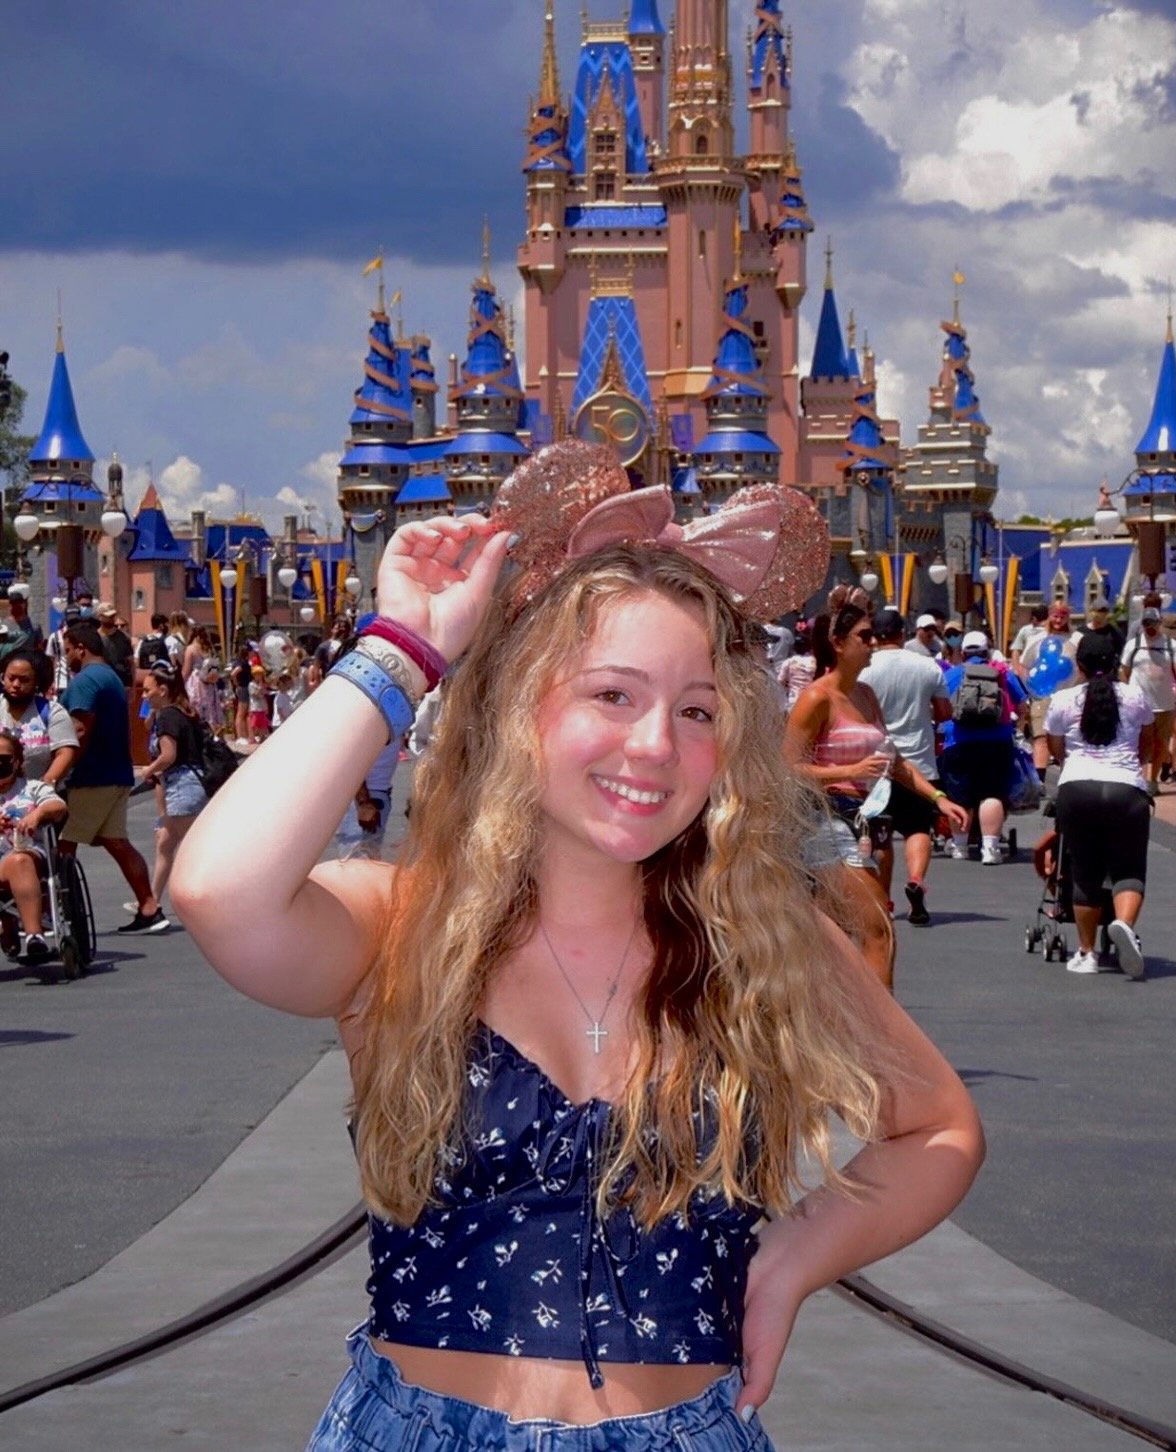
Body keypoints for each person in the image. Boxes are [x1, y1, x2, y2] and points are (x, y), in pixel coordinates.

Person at [172, 447, 983, 1448]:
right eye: (612, 694)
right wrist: (402, 648)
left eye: (696, 710)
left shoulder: (763, 939)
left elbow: (939, 1128)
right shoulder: (401, 925)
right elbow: (219, 891)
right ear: (521, 706)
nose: (655, 745)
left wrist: (792, 1261)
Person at [785, 591, 967, 989]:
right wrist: (848, 769)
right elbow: (786, 767)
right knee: (877, 929)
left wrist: (938, 798)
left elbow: (894, 761)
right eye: (863, 637)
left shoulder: (865, 695)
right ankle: (881, 1035)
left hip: (868, 820)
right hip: (827, 819)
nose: (872, 645)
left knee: (833, 933)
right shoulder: (816, 698)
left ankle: (828, 1026)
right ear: (838, 643)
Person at [1047, 632, 1154, 978]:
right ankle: (1122, 924)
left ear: (1078, 664)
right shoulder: (1134, 696)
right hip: (1126, 789)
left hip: (1078, 788)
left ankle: (1087, 952)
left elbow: (1056, 747)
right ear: (1115, 663)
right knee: (1128, 869)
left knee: (1085, 871)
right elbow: (1147, 741)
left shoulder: (1063, 700)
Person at [59, 619, 166, 933]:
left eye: (68, 651)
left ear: (82, 648)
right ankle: (150, 907)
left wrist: (60, 771)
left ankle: (63, 913)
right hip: (116, 772)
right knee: (117, 842)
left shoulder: (85, 682)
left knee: (63, 847)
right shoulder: (111, 678)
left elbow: (79, 729)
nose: (66, 658)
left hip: (92, 777)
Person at [860, 607, 953, 925]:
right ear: (902, 633)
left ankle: (883, 901)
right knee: (917, 828)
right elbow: (943, 713)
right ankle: (915, 879)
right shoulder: (928, 666)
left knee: (881, 834)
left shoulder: (864, 668)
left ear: (873, 635)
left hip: (876, 763)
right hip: (920, 761)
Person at [940, 630, 1028, 865]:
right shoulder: (1002, 674)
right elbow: (1022, 706)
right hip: (997, 742)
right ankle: (990, 849)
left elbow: (941, 707)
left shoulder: (951, 675)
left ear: (962, 652)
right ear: (987, 651)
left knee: (960, 796)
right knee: (992, 793)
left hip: (958, 742)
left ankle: (959, 846)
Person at [140, 662, 208, 914]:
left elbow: (168, 755)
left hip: (183, 785)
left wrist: (149, 769)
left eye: (148, 690)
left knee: (194, 848)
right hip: (188, 783)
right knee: (166, 845)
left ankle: (201, 899)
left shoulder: (169, 715)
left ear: (163, 689)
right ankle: (151, 902)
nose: (144, 695)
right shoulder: (180, 712)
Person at [0, 728, 69, 965]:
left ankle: (33, 935)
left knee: (19, 861)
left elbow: (58, 807)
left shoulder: (32, 788)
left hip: (26, 855)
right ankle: (7, 924)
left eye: (3, 760)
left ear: (16, 761)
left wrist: (37, 814)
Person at [1120, 599, 1176, 796]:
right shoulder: (1133, 645)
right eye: (1145, 624)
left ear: (1159, 623)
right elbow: (1124, 671)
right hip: (1138, 704)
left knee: (1160, 743)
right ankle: (1138, 778)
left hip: (1164, 703)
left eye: (1152, 624)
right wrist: (1126, 693)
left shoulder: (1171, 645)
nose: (1149, 628)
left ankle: (1153, 780)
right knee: (1138, 743)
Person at [0, 652, 79, 787]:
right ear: (2, 678)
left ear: (36, 682)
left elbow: (65, 752)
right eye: (11, 678)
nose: (16, 684)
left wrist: (45, 785)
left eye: (24, 680)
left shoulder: (52, 712)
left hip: (38, 800)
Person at [1021, 601, 1077, 780]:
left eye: (1063, 616)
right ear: (1049, 616)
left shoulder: (1077, 639)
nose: (1059, 620)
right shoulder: (1036, 639)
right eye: (1055, 615)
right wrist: (1030, 687)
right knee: (1041, 737)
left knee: (1067, 740)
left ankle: (1066, 777)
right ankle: (1040, 780)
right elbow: (1024, 665)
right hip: (1042, 696)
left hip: (1069, 696)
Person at [777, 621, 815, 716]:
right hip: (813, 699)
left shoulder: (789, 662)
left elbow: (780, 680)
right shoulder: (814, 661)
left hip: (794, 701)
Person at [96, 603, 136, 689]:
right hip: (102, 683)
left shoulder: (123, 637)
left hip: (122, 683)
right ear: (100, 617)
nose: (111, 618)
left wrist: (133, 686)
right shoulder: (95, 638)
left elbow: (131, 663)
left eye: (113, 615)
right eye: (108, 616)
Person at [309, 617, 350, 691]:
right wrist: (318, 684)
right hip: (328, 681)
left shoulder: (348, 647)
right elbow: (316, 667)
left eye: (344, 628)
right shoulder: (323, 647)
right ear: (332, 629)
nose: (341, 631)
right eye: (338, 628)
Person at [1010, 603, 1048, 676]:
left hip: (1026, 668)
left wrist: (1016, 669)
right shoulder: (1052, 631)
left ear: (1034, 618)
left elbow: (1016, 650)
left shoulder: (1025, 630)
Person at [230, 646, 253, 743]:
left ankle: (244, 735)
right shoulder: (243, 663)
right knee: (241, 713)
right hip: (243, 687)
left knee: (244, 713)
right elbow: (233, 673)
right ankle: (240, 736)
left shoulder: (240, 662)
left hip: (244, 687)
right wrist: (237, 683)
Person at [247, 665, 270, 743]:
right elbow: (254, 694)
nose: (260, 677)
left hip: (262, 706)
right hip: (255, 707)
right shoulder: (251, 684)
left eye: (261, 675)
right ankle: (252, 737)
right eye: (258, 675)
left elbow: (264, 693)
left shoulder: (262, 684)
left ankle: (262, 737)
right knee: (254, 723)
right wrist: (260, 688)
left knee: (263, 723)